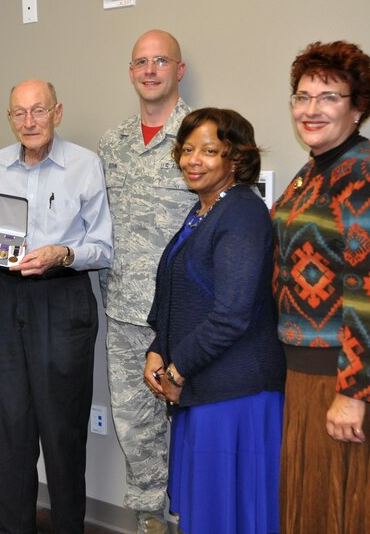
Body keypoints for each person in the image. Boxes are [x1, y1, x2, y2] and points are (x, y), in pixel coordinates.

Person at [272, 40, 370, 533]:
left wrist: (356, 390)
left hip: (358, 382)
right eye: (302, 96)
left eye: (329, 97)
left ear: (358, 107)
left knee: (368, 513)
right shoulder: (314, 171)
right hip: (311, 375)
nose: (310, 109)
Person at [0, 79, 113, 533]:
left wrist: (63, 254)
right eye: (19, 112)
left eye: (39, 110)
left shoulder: (84, 165)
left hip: (63, 295)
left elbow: (103, 245)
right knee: (11, 426)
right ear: (10, 117)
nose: (29, 121)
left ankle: (69, 526)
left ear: (57, 112)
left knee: (62, 430)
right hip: (9, 295)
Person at [144, 108, 286, 534]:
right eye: (187, 149)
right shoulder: (202, 210)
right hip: (203, 387)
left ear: (235, 159)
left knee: (231, 517)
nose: (193, 160)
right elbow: (176, 291)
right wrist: (158, 347)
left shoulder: (241, 213)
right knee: (208, 515)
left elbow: (232, 313)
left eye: (209, 150)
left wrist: (176, 366)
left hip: (236, 396)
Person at [97, 29, 193, 534]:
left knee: (193, 424)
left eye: (161, 60)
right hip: (126, 314)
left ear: (179, 70)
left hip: (186, 316)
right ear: (131, 72)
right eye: (140, 62)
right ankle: (150, 522)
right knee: (135, 428)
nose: (150, 69)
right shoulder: (112, 144)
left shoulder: (201, 138)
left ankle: (195, 516)